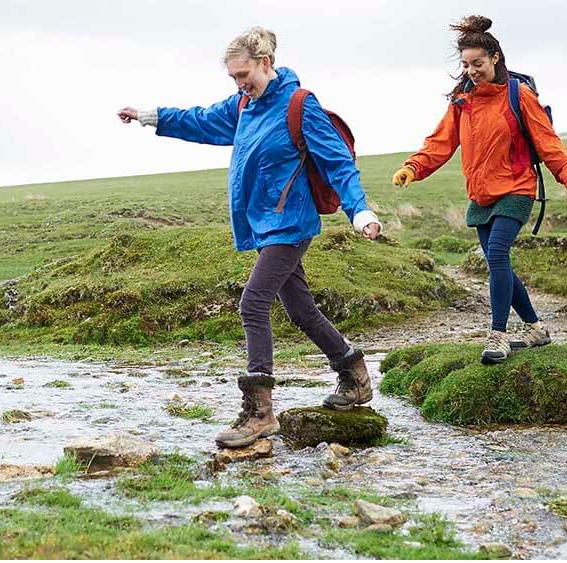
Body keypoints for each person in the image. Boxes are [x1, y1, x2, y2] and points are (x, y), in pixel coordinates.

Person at [118, 26, 382, 448]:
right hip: (263, 225)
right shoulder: (243, 106)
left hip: (290, 224)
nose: (241, 83)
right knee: (300, 310)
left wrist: (360, 211)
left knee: (253, 302)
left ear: (266, 63)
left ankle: (260, 412)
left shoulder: (300, 105)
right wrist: (151, 115)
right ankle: (354, 374)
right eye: (233, 78)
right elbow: (201, 120)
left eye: (245, 74)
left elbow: (337, 163)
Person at [392, 15, 567, 365]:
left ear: (495, 57)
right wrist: (414, 167)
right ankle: (536, 327)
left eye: (478, 63)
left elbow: (548, 142)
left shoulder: (519, 95)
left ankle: (497, 335)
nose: (472, 70)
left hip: (516, 187)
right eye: (466, 64)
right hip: (481, 194)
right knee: (499, 263)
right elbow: (441, 142)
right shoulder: (462, 101)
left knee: (497, 253)